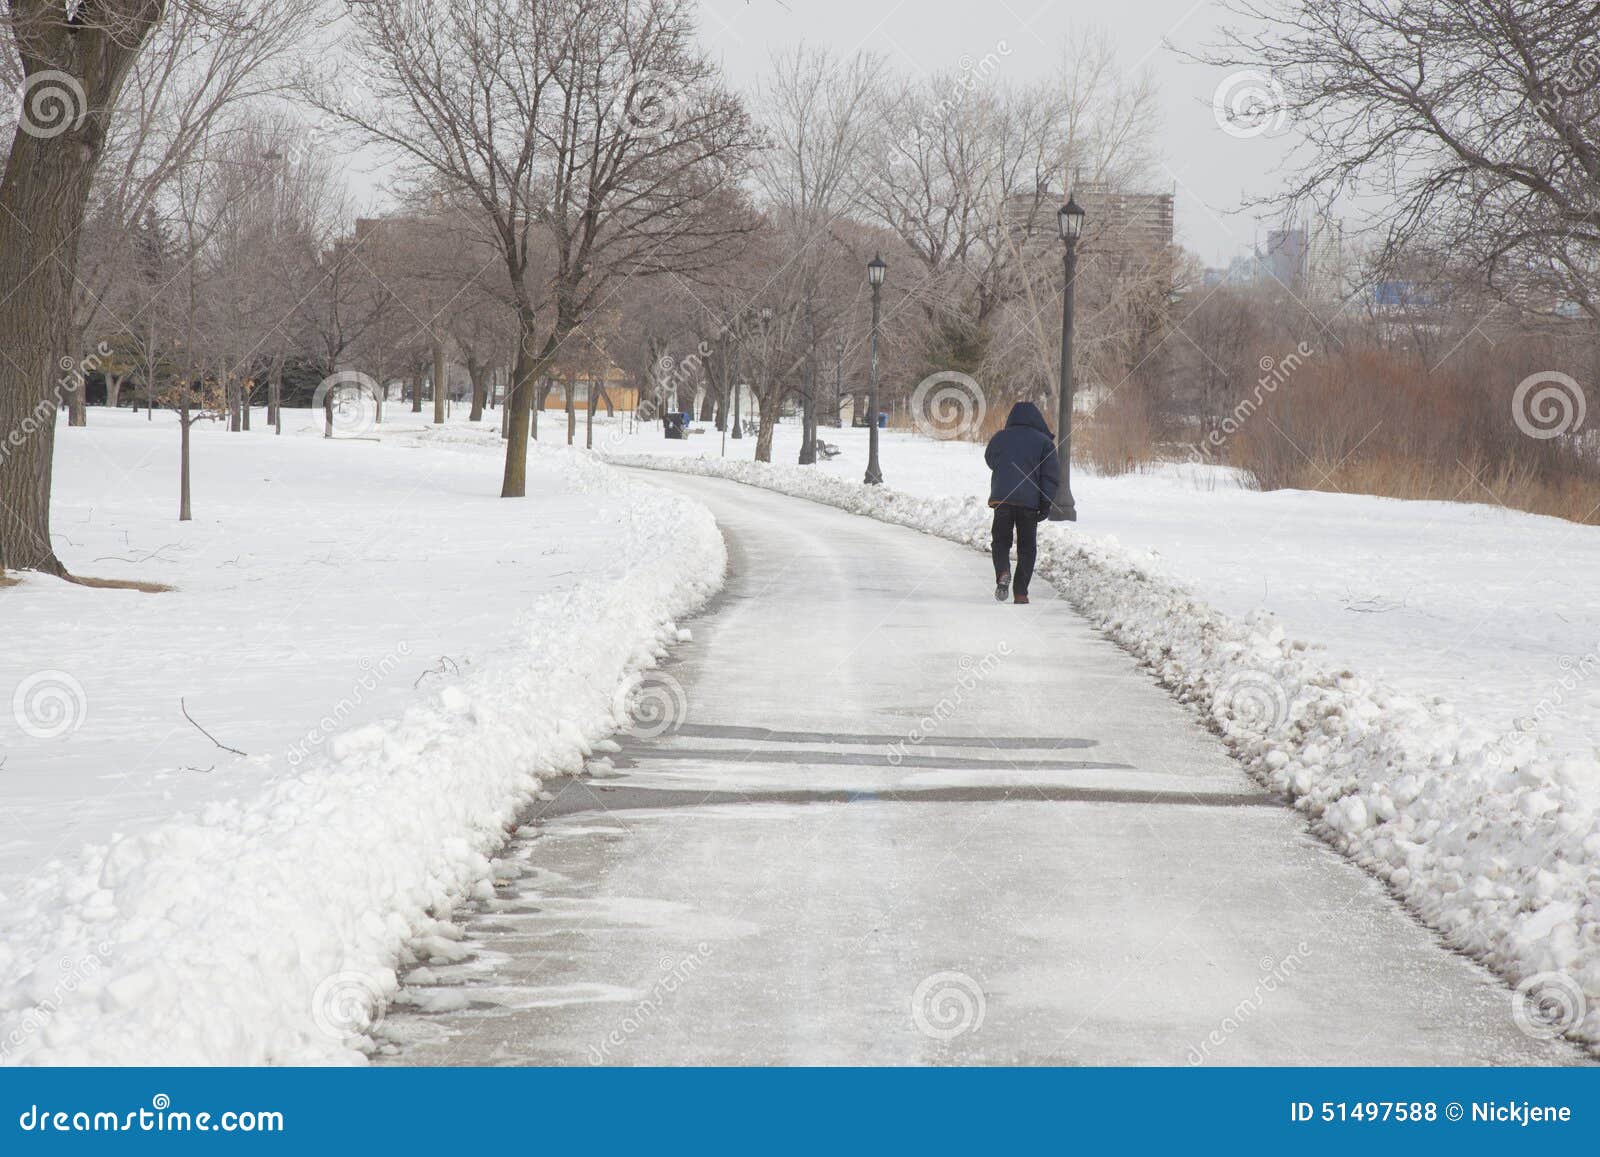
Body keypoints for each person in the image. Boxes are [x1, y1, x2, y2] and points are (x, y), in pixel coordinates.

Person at [983, 401, 1060, 604]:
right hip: (1029, 503)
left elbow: (990, 459)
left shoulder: (1000, 437)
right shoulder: (1044, 443)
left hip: (1003, 499)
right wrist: (1045, 504)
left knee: (1000, 541)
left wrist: (1005, 467)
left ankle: (1003, 572)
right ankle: (1021, 593)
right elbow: (1050, 477)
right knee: (1027, 548)